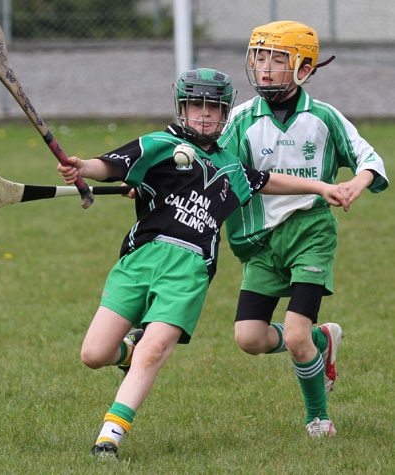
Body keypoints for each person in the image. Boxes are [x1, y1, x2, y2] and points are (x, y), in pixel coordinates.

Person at [58, 67, 350, 461]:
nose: (204, 114)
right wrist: (82, 166)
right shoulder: (160, 144)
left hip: (190, 268)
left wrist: (322, 186)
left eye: (213, 107)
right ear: (182, 107)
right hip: (140, 259)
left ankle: (108, 439)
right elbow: (112, 165)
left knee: (155, 349)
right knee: (94, 354)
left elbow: (269, 180)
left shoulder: (231, 167)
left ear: (225, 112)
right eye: (196, 105)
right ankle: (126, 353)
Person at [218, 21, 389, 437]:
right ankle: (323, 339)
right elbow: (210, 170)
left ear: (304, 69)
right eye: (259, 57)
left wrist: (356, 183)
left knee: (295, 337)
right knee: (249, 338)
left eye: (278, 59)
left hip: (311, 234)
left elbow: (371, 161)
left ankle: (318, 416)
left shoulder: (324, 117)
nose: (265, 68)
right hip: (260, 241)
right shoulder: (240, 119)